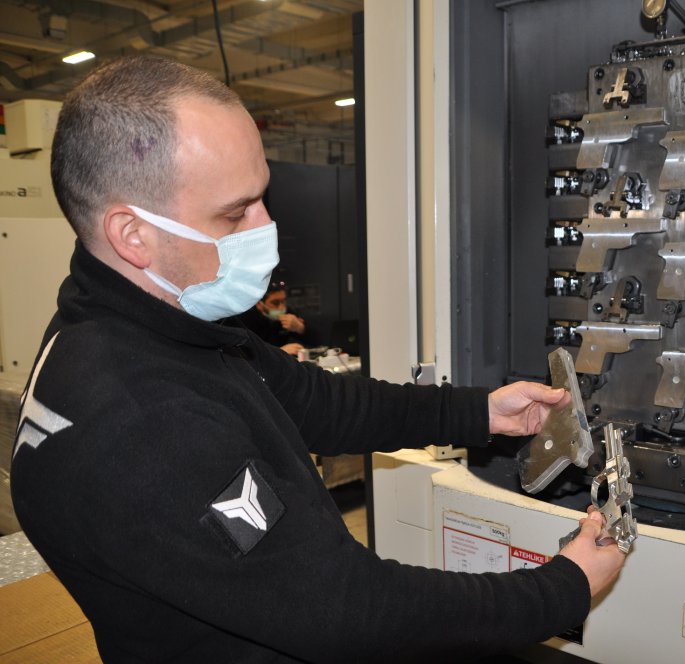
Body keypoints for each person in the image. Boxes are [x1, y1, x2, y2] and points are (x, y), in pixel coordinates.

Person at [10, 55, 626, 663]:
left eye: (262, 198)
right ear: (133, 235)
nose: (266, 227)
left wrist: (479, 412)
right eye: (235, 212)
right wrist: (560, 589)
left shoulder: (164, 321)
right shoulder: (139, 422)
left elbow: (319, 402)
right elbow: (346, 610)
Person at [238, 277, 307, 355]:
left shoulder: (289, 313)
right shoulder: (245, 320)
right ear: (259, 304)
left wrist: (301, 328)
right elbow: (245, 354)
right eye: (275, 303)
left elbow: (316, 339)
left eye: (283, 301)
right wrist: (279, 352)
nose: (282, 307)